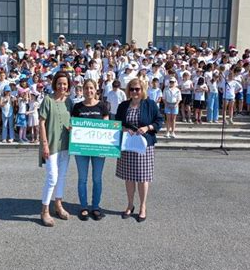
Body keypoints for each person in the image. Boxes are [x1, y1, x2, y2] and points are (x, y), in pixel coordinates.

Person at [115, 78, 164, 222]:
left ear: (142, 90)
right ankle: (130, 205)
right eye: (132, 89)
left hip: (144, 145)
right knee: (129, 177)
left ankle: (143, 206)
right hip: (128, 145)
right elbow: (117, 122)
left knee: (143, 178)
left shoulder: (150, 104)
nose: (135, 92)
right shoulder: (123, 105)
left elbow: (159, 121)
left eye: (137, 89)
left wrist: (147, 127)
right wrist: (124, 128)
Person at [71, 79, 109, 221]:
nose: (89, 91)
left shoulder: (102, 106)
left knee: (97, 178)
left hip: (98, 148)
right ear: (83, 90)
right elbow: (73, 125)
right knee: (82, 179)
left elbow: (107, 128)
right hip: (81, 148)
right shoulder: (77, 107)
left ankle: (95, 206)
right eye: (86, 88)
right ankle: (83, 207)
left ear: (96, 89)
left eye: (91, 88)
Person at [39, 71, 72, 227]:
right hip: (51, 144)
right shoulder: (48, 100)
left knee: (62, 176)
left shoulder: (69, 102)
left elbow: (72, 122)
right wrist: (44, 144)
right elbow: (41, 123)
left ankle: (58, 204)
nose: (62, 86)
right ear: (55, 84)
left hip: (66, 144)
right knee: (52, 177)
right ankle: (44, 210)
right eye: (59, 83)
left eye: (65, 83)